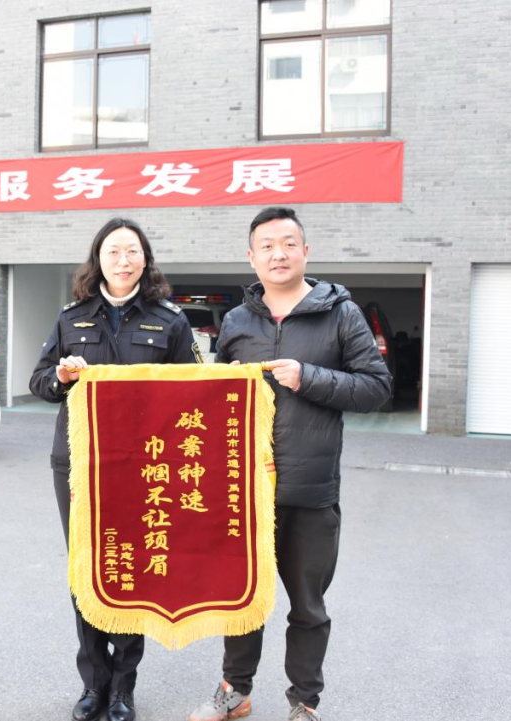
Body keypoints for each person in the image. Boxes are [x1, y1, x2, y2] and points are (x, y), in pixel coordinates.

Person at [188, 207, 391, 721]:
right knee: (241, 599)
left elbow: (377, 388)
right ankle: (234, 692)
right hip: (245, 492)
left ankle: (304, 703)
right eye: (267, 246)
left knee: (308, 607)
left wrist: (309, 377)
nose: (278, 254)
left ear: (305, 251)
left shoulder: (340, 314)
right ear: (251, 256)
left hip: (310, 490)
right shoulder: (237, 321)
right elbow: (214, 400)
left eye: (288, 244)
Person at [30, 218, 200, 721]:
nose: (123, 261)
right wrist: (61, 376)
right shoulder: (72, 318)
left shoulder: (170, 321)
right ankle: (93, 684)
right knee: (85, 567)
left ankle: (124, 687)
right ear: (97, 259)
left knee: (131, 569)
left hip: (143, 465)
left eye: (132, 251)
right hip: (78, 462)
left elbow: (196, 391)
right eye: (113, 251)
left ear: (145, 259)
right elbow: (39, 381)